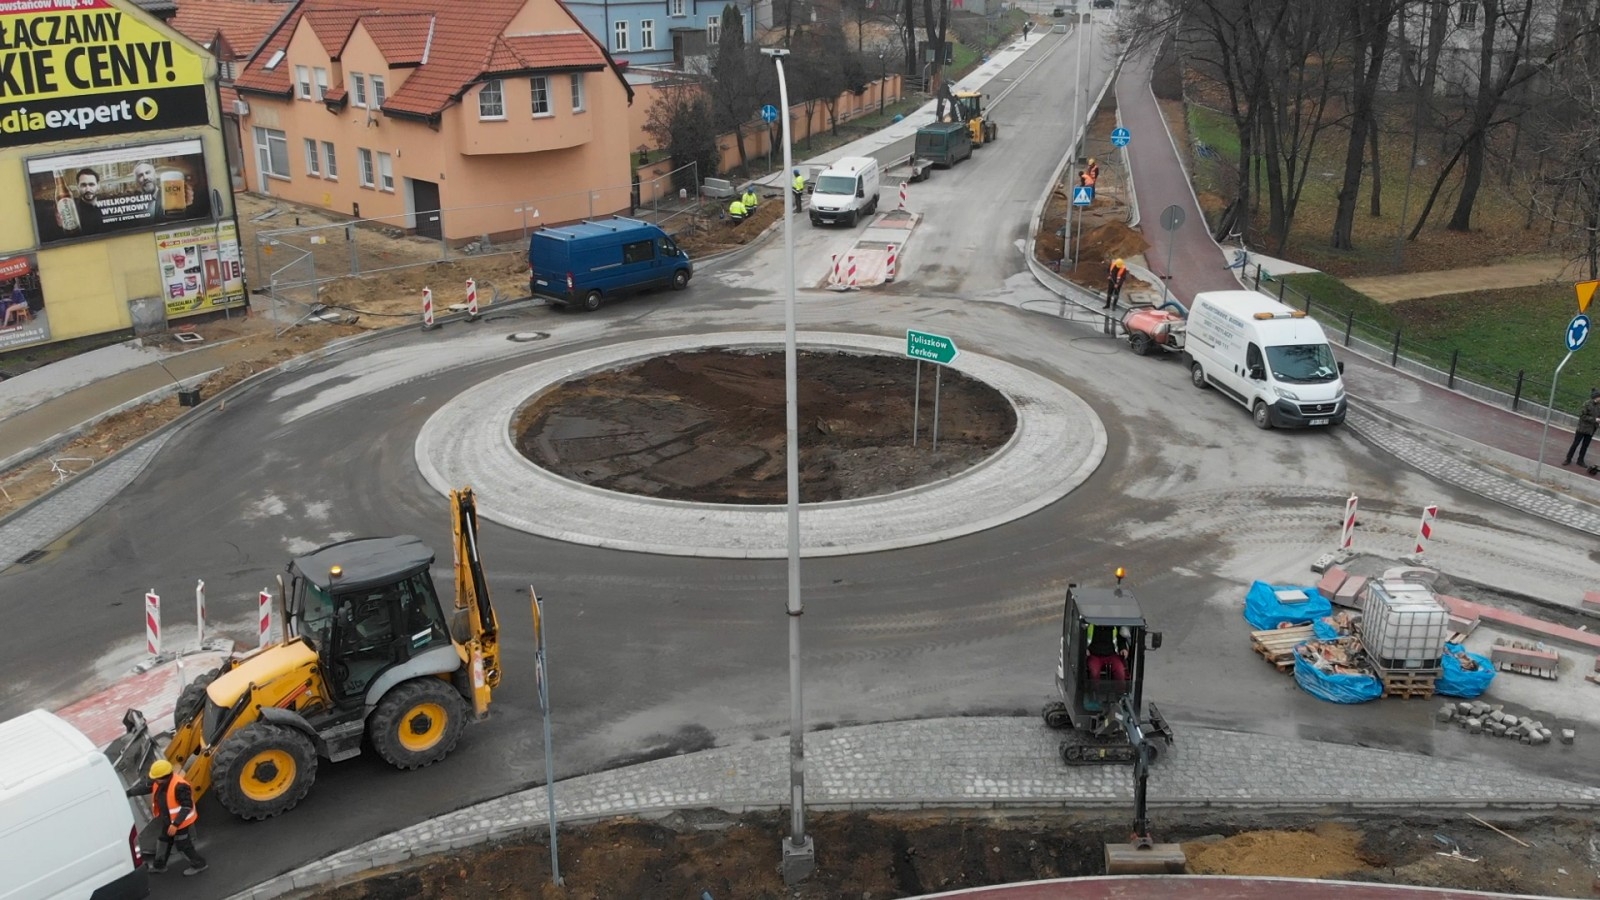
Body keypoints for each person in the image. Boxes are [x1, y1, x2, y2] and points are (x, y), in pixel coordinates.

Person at [127, 759, 207, 876]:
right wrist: (129, 793)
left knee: (183, 845)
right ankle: (159, 866)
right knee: (163, 841)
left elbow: (186, 806)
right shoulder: (160, 782)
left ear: (164, 777)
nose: (154, 780)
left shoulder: (180, 786)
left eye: (156, 778)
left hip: (181, 823)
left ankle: (199, 865)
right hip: (168, 820)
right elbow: (145, 788)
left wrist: (175, 824)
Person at [1563, 387, 1599, 469]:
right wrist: (1594, 419)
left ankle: (1580, 460)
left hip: (1591, 430)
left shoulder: (1599, 406)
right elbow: (1582, 416)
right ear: (1596, 397)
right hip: (1582, 428)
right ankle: (1568, 459)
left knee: (1585, 446)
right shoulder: (1587, 404)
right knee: (1575, 444)